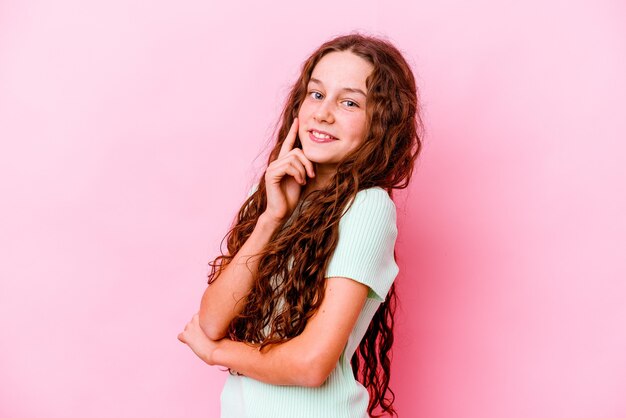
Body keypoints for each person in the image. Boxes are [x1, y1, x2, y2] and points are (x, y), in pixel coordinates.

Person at [178, 32, 423, 418]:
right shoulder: (280, 196)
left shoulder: (367, 207)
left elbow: (311, 364)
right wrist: (271, 218)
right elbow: (210, 321)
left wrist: (218, 353)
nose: (323, 113)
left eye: (349, 102)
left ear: (381, 122)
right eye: (317, 94)